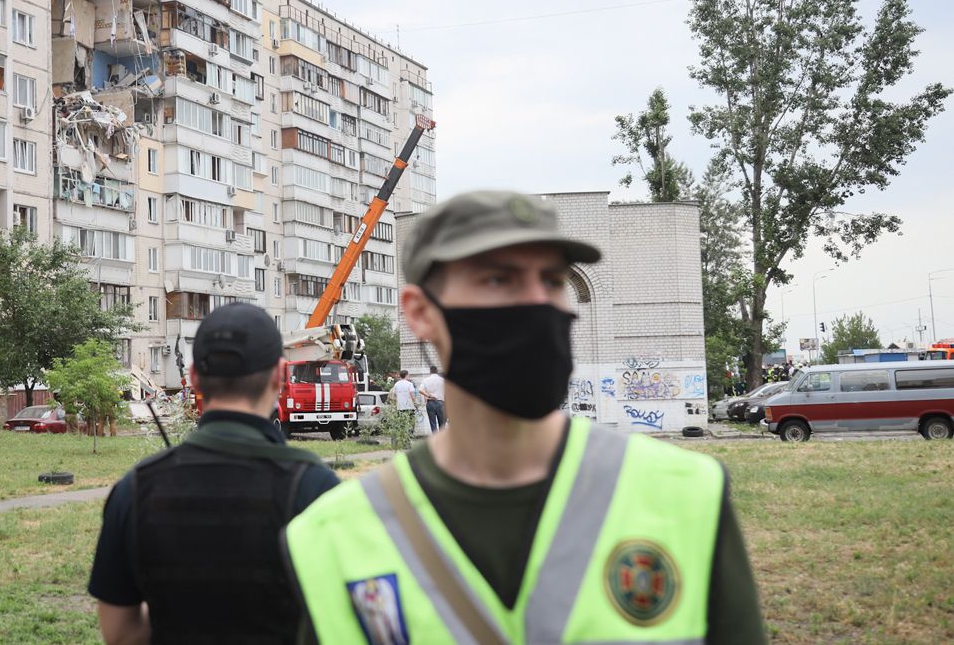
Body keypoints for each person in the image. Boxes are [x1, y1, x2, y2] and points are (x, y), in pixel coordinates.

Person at [285, 190, 765, 644]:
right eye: (499, 279)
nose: (537, 302)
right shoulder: (334, 541)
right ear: (421, 313)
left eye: (553, 280)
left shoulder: (687, 497)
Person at [89, 302, 340, 644]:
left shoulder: (134, 490)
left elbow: (120, 634)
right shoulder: (315, 487)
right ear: (281, 376)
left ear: (194, 378)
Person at [419, 365, 447, 432]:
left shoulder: (425, 380)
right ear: (437, 371)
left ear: (430, 371)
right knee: (442, 424)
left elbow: (420, 390)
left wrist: (429, 396)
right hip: (441, 403)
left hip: (430, 403)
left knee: (433, 424)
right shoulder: (442, 380)